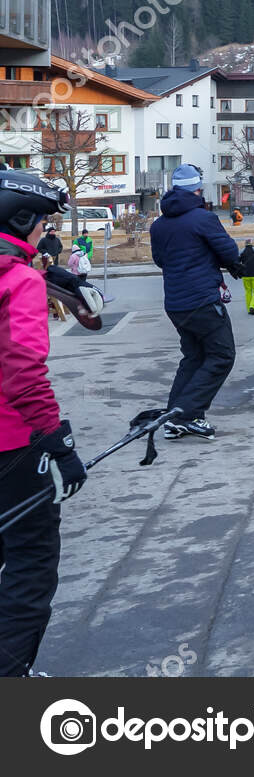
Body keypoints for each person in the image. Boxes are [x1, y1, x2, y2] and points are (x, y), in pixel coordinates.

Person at [0, 170, 87, 677]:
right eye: (42, 224)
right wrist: (57, 442)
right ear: (23, 221)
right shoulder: (17, 281)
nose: (44, 234)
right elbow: (23, 371)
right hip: (13, 445)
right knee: (30, 567)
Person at [150, 166, 242, 441]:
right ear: (197, 190)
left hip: (176, 304)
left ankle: (173, 419)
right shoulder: (203, 218)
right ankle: (187, 415)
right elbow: (229, 251)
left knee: (194, 357)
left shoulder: (159, 224)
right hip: (202, 300)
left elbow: (159, 260)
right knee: (222, 355)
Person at [239, 241, 254, 315]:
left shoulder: (242, 251)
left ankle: (249, 308)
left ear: (245, 244)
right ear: (251, 243)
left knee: (248, 291)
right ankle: (252, 306)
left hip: (245, 276)